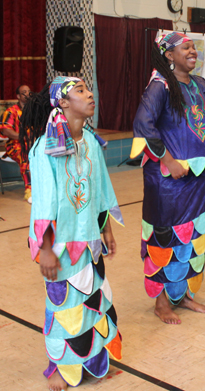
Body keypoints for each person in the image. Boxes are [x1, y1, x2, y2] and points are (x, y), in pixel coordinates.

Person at [19, 77, 124, 391]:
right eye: (80, 90)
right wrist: (46, 249)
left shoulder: (90, 142)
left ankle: (91, 363)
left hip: (90, 240)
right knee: (63, 307)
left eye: (88, 88)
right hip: (62, 246)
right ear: (62, 103)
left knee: (92, 303)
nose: (89, 93)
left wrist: (105, 230)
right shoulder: (44, 149)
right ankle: (58, 368)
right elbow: (43, 204)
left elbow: (101, 188)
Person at [132, 32, 205, 324]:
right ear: (168, 54)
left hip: (196, 177)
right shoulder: (160, 86)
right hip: (166, 180)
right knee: (164, 237)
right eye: (186, 47)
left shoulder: (201, 85)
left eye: (194, 47)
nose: (193, 51)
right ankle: (161, 301)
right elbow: (143, 124)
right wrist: (167, 159)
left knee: (192, 235)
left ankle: (184, 293)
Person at [0, 85, 32, 203]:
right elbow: (6, 130)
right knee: (26, 156)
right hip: (15, 145)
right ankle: (30, 192)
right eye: (24, 92)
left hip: (32, 145)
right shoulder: (10, 111)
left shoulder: (33, 111)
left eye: (29, 91)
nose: (28, 94)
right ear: (18, 96)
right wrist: (25, 138)